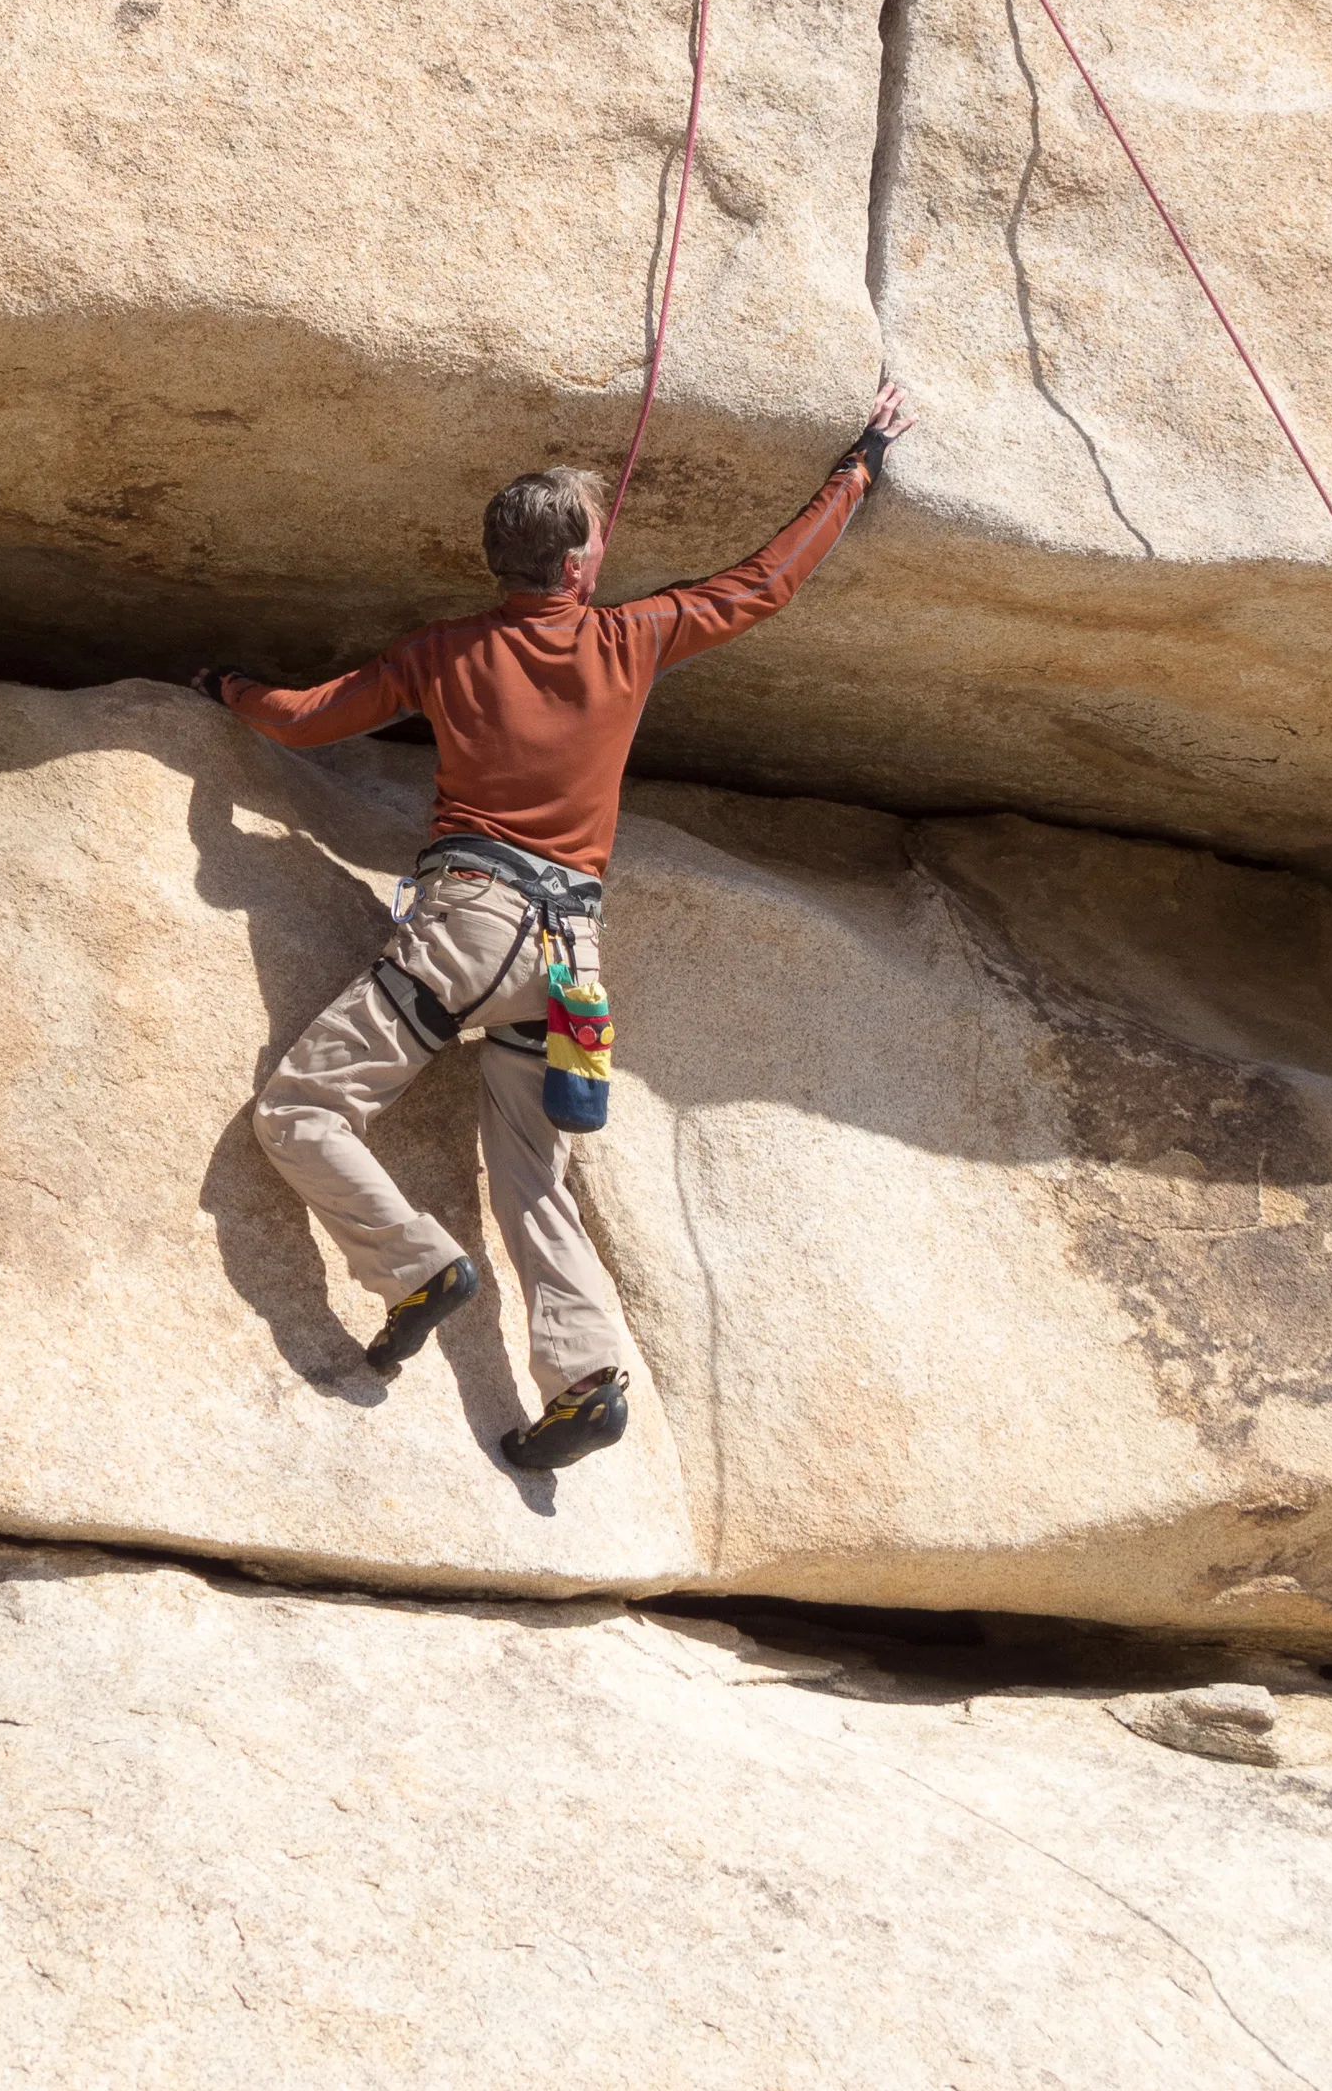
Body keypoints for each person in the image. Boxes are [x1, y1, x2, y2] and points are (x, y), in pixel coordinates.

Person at [199, 381, 916, 1473]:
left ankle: (414, 1267)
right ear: (579, 562)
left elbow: (302, 721)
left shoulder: (444, 653)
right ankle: (582, 1379)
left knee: (300, 1110)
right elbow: (764, 586)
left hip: (470, 928)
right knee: (533, 1168)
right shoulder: (632, 636)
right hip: (572, 966)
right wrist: (855, 465)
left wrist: (226, 686)